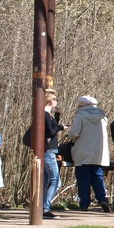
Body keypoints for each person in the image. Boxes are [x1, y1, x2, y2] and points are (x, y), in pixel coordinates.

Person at [67, 95, 111, 212]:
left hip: (83, 152)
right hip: (98, 152)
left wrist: (69, 134)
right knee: (98, 176)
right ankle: (102, 199)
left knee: (83, 179)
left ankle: (84, 204)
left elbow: (74, 133)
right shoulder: (103, 117)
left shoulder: (80, 115)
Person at [42, 91, 64, 219]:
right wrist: (60, 127)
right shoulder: (44, 114)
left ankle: (43, 206)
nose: (56, 101)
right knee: (55, 180)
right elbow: (50, 131)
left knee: (47, 180)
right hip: (49, 151)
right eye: (55, 99)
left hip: (50, 150)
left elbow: (51, 128)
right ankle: (45, 207)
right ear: (50, 100)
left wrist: (57, 118)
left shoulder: (48, 115)